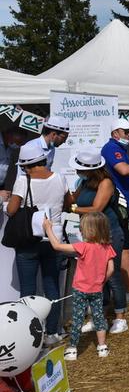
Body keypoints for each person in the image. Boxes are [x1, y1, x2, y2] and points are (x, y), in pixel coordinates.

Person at [7, 145, 69, 345]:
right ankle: (52, 332)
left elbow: (11, 210)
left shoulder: (22, 181)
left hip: (29, 240)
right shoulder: (60, 178)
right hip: (54, 240)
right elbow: (67, 203)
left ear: (27, 166)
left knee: (28, 289)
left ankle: (30, 335)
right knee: (52, 287)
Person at [69, 147, 129, 335]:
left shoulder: (106, 182)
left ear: (91, 169)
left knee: (112, 276)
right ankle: (98, 316)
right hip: (92, 237)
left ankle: (120, 317)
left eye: (81, 168)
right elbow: (72, 198)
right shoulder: (85, 182)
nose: (78, 171)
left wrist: (72, 209)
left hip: (109, 234)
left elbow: (97, 208)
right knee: (95, 278)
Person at [44, 213, 116, 361]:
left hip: (80, 289)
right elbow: (111, 269)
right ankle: (102, 346)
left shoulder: (83, 247)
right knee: (98, 317)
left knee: (77, 318)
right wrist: (101, 282)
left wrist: (48, 228)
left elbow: (56, 246)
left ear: (87, 230)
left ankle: (72, 349)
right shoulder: (107, 247)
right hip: (97, 289)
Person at [101, 119, 129, 304]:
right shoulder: (111, 148)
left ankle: (126, 289)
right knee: (123, 248)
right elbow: (124, 170)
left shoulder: (120, 148)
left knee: (126, 247)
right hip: (120, 205)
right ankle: (128, 290)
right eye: (126, 132)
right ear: (115, 132)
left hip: (126, 203)